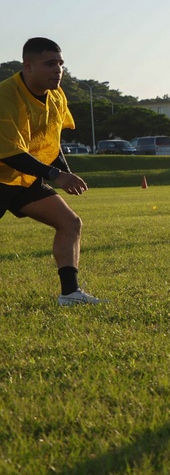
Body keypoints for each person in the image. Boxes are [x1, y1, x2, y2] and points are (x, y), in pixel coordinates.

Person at [0, 38, 101, 305]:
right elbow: (9, 152)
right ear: (28, 66)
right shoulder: (5, 95)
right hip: (3, 173)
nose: (58, 70)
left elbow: (50, 141)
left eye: (60, 64)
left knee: (70, 223)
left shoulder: (56, 95)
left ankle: (70, 293)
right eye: (50, 64)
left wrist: (65, 172)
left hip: (24, 178)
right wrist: (57, 176)